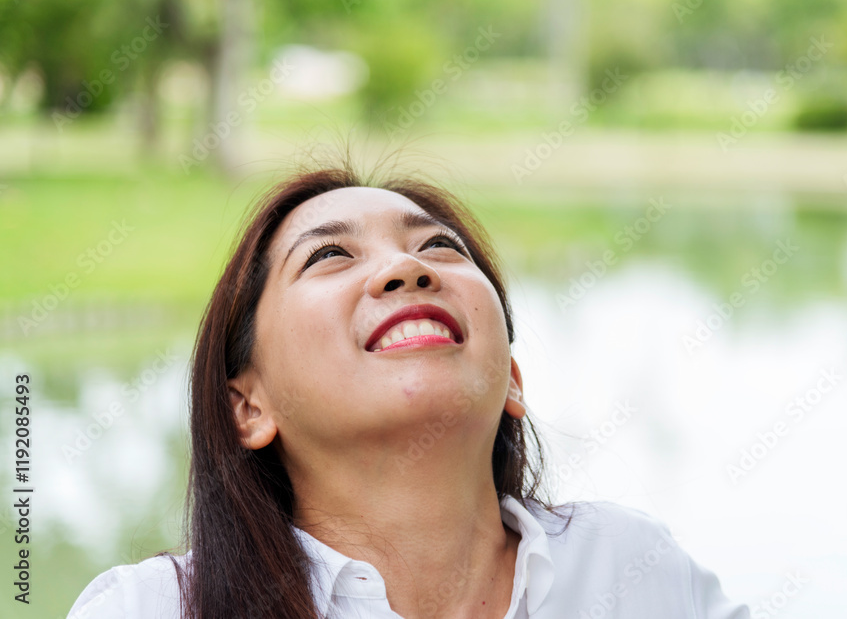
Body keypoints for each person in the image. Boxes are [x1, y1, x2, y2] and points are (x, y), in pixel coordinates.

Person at [68, 166, 750, 619]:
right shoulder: (149, 610)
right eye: (330, 255)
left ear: (512, 382)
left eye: (440, 248)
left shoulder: (636, 569)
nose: (405, 267)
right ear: (249, 407)